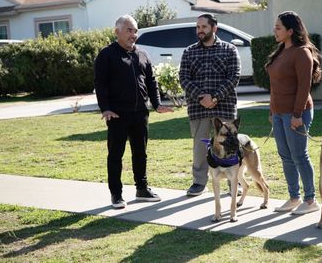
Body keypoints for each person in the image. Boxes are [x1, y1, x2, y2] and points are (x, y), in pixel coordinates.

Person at [94, 14, 173, 209]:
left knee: (140, 153)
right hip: (117, 114)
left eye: (135, 30)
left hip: (140, 113)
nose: (133, 34)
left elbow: (151, 82)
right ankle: (116, 195)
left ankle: (142, 189)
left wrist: (156, 104)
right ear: (117, 32)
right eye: (129, 30)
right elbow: (100, 84)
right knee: (115, 155)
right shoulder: (107, 54)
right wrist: (106, 109)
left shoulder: (142, 54)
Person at [266, 11, 322, 215]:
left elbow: (304, 87)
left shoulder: (301, 52)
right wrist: (272, 111)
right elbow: (275, 85)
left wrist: (297, 115)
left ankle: (310, 200)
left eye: (278, 27)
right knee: (286, 156)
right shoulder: (281, 51)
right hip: (280, 113)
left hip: (297, 113)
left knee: (299, 155)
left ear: (290, 30)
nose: (275, 30)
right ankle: (294, 197)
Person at [179, 13, 241, 196]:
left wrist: (214, 97)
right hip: (198, 108)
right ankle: (199, 182)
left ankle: (233, 183)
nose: (200, 30)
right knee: (200, 146)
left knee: (229, 144)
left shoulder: (229, 50)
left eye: (204, 27)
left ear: (214, 28)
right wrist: (201, 97)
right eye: (198, 27)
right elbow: (183, 78)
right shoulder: (189, 51)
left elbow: (234, 77)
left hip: (225, 106)